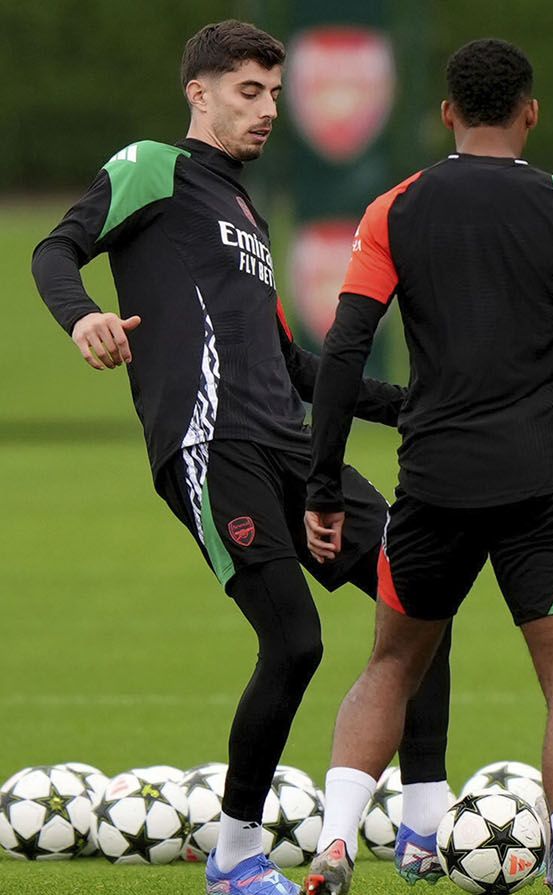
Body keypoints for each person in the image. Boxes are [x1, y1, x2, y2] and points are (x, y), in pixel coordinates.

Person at [27, 20, 454, 895]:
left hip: (289, 443)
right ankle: (231, 854)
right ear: (200, 93)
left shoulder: (246, 209)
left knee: (420, 587)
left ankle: (421, 828)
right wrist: (83, 316)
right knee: (295, 642)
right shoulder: (153, 166)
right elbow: (55, 247)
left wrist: (418, 406)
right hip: (209, 442)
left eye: (272, 93)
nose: (266, 111)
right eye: (247, 92)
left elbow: (296, 365)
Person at [299, 38, 553, 895]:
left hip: (432, 480)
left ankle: (333, 843)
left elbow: (346, 349)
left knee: (391, 664)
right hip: (541, 483)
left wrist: (323, 482)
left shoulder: (391, 209)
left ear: (447, 114)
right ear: (530, 111)